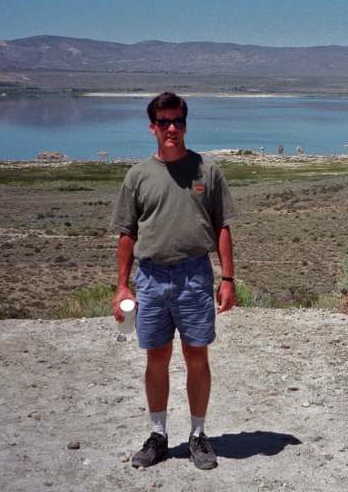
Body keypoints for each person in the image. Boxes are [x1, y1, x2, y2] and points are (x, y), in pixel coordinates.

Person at [110, 91, 238, 470]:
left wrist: (227, 278)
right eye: (163, 122)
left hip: (194, 275)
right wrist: (121, 286)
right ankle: (158, 434)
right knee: (156, 358)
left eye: (178, 122)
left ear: (186, 124)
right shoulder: (138, 175)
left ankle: (198, 436)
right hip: (150, 278)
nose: (171, 128)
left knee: (196, 356)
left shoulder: (207, 171)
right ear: (152, 127)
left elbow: (222, 227)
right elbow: (126, 235)